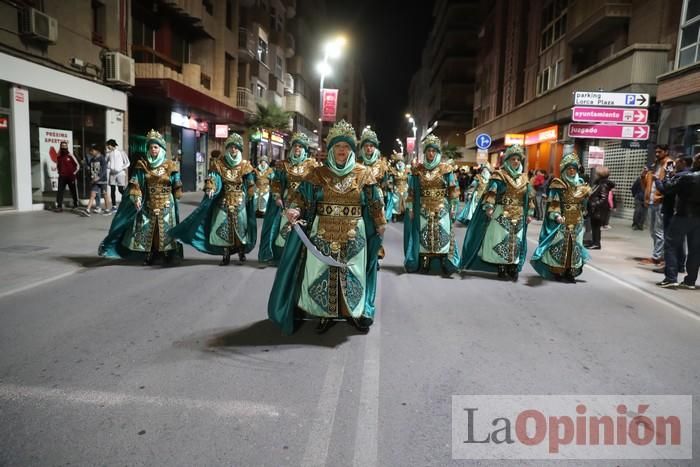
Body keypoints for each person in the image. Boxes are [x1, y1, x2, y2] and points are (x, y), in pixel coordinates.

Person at [267, 120, 386, 335]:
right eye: (338, 147)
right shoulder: (317, 174)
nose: (342, 151)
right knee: (321, 272)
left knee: (353, 275)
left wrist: (379, 223)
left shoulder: (364, 174)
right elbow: (301, 198)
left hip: (354, 234)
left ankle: (354, 313)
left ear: (351, 149)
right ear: (331, 149)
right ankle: (324, 314)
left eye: (346, 147)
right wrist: (295, 209)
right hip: (321, 232)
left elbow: (374, 201)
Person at [169, 133, 256, 265]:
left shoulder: (245, 165)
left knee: (241, 228)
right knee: (221, 227)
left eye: (236, 147)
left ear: (239, 149)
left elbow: (249, 181)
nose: (233, 150)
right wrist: (210, 188)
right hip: (223, 201)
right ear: (227, 148)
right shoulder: (219, 164)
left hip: (239, 201)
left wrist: (250, 190)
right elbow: (213, 178)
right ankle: (225, 254)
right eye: (231, 147)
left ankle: (241, 251)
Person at [98, 130, 183, 265]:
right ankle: (150, 253)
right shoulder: (142, 164)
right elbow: (135, 183)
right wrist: (136, 197)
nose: (153, 149)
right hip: (148, 202)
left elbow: (176, 180)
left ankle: (167, 253)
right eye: (150, 147)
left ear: (160, 149)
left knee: (165, 229)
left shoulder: (170, 165)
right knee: (147, 228)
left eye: (155, 147)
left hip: (166, 202)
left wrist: (177, 190)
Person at [460, 144, 534, 281]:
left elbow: (528, 197)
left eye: (518, 159)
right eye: (513, 159)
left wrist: (529, 212)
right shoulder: (499, 175)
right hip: (501, 212)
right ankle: (501, 266)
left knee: (515, 240)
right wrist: (489, 207)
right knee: (501, 240)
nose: (516, 161)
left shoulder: (524, 178)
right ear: (507, 161)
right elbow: (491, 193)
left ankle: (513, 265)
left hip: (519, 214)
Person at [403, 134, 461, 275]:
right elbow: (411, 191)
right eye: (428, 150)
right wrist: (410, 208)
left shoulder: (446, 169)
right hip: (423, 208)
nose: (431, 153)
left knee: (443, 234)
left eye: (433, 151)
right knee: (424, 235)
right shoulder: (418, 170)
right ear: (425, 152)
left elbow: (453, 191)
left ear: (438, 152)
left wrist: (454, 207)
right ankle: (425, 262)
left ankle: (444, 263)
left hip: (442, 208)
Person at [258, 132, 318, 265]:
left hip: (305, 204)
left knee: (302, 230)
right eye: (295, 146)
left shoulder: (312, 166)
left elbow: (316, 185)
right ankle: (281, 257)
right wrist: (277, 196)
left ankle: (299, 258)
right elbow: (276, 182)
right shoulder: (283, 164)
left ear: (304, 149)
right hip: (287, 202)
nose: (297, 148)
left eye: (300, 146)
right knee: (283, 230)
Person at [531, 152, 591, 282]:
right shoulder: (557, 184)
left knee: (575, 246)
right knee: (560, 245)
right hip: (562, 220)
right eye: (569, 168)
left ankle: (570, 271)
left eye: (574, 168)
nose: (571, 171)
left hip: (577, 221)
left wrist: (585, 210)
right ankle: (559, 271)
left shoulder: (581, 184)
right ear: (564, 170)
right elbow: (554, 203)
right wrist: (556, 215)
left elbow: (584, 202)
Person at [656, 153, 700, 289]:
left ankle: (671, 278)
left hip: (683, 215)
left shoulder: (687, 177)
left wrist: (668, 174)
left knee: (670, 244)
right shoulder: (688, 176)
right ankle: (690, 281)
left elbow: (668, 189)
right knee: (695, 249)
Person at [639, 144, 672, 265]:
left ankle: (657, 257)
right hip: (651, 201)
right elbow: (646, 186)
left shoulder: (669, 164)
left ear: (666, 152)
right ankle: (658, 255)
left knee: (659, 231)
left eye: (660, 152)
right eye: (656, 152)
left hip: (660, 202)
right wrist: (643, 176)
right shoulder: (654, 165)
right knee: (653, 231)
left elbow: (669, 185)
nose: (657, 154)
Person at [585, 166, 614, 250]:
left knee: (596, 227)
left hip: (598, 210)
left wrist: (594, 204)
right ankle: (595, 242)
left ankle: (596, 243)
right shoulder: (598, 183)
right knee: (595, 227)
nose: (596, 175)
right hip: (596, 209)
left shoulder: (603, 185)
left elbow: (603, 198)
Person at [456, 162, 491, 226]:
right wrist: (470, 192)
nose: (485, 171)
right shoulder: (478, 177)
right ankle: (472, 220)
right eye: (484, 170)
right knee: (473, 207)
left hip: (484, 196)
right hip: (477, 195)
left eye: (486, 170)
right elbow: (473, 185)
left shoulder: (490, 179)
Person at [83, 145, 112, 216]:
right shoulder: (92, 160)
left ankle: (108, 209)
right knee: (92, 194)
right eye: (90, 151)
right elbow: (90, 168)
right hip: (95, 181)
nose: (91, 152)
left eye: (92, 151)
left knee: (105, 194)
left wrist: (99, 177)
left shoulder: (102, 159)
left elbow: (104, 170)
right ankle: (88, 210)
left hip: (102, 180)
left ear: (97, 151)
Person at [54, 141, 80, 212]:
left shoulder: (70, 155)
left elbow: (78, 165)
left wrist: (73, 173)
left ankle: (76, 205)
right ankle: (59, 206)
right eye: (62, 146)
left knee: (73, 191)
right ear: (60, 146)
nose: (64, 147)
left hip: (71, 177)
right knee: (60, 191)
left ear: (67, 147)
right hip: (62, 177)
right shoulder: (58, 157)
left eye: (65, 146)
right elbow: (58, 165)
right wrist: (58, 171)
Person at [106, 139, 130, 211]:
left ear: (111, 144)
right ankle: (114, 206)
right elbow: (106, 163)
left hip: (120, 173)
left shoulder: (121, 152)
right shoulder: (109, 154)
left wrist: (121, 168)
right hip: (112, 174)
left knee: (120, 189)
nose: (107, 147)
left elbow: (128, 162)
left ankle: (128, 201)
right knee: (112, 190)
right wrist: (109, 166)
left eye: (108, 145)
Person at [389, 153, 410, 222]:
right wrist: (391, 187)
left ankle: (405, 216)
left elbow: (409, 179)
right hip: (396, 188)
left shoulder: (407, 170)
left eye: (401, 161)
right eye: (398, 161)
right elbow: (391, 180)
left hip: (405, 188)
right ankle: (395, 216)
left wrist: (409, 188)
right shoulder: (393, 171)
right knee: (396, 202)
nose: (400, 163)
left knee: (405, 202)